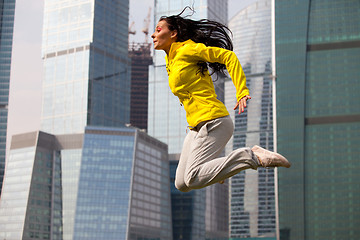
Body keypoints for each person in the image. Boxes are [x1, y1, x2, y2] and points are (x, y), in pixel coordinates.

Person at [151, 9, 291, 192]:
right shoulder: (171, 61)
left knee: (192, 178)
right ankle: (220, 170)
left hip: (213, 121)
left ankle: (253, 156)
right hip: (195, 129)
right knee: (181, 184)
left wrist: (241, 90)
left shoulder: (187, 49)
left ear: (173, 33)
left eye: (159, 29)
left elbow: (228, 57)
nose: (153, 34)